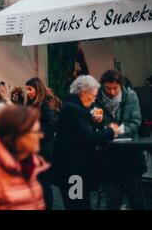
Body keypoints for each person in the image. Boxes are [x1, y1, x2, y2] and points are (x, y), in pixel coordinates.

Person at [51, 75, 118, 210]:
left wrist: (96, 122)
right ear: (83, 92)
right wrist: (111, 131)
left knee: (80, 203)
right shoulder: (74, 109)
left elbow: (81, 133)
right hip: (73, 170)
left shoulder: (75, 106)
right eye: (92, 96)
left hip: (75, 169)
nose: (94, 100)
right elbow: (88, 137)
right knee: (77, 205)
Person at [96, 70, 146, 210]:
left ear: (121, 86)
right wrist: (103, 127)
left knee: (136, 198)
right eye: (108, 88)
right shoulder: (96, 98)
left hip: (131, 152)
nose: (112, 92)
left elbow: (136, 121)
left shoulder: (131, 96)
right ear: (103, 86)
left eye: (115, 88)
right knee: (112, 200)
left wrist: (116, 131)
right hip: (108, 155)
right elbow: (95, 124)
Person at [25, 77, 62, 210]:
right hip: (35, 148)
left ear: (37, 88)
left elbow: (51, 126)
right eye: (27, 89)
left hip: (44, 149)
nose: (27, 92)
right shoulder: (32, 103)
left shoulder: (45, 104)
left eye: (30, 89)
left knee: (44, 182)